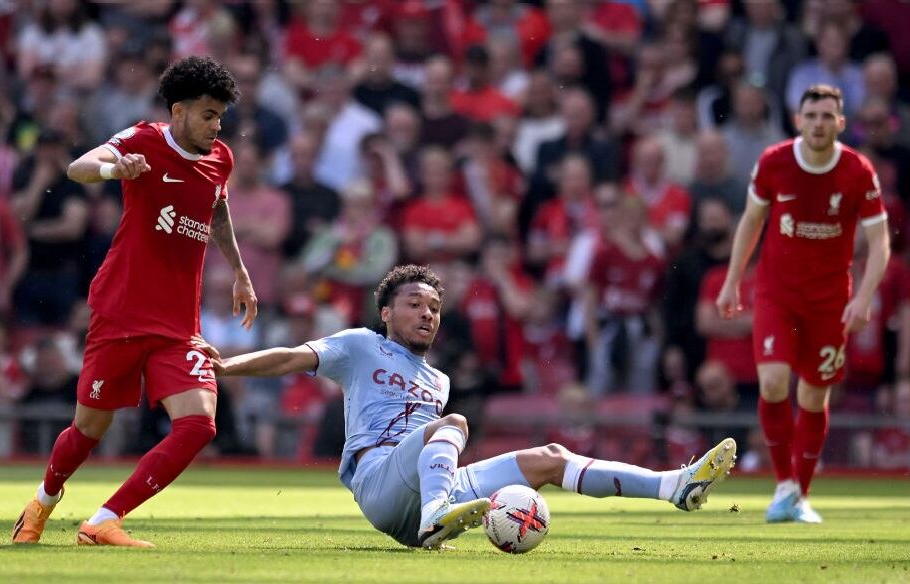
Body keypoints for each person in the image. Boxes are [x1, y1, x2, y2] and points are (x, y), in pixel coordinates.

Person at [193, 265, 736, 550]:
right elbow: (290, 356)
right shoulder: (358, 344)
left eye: (435, 307)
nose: (428, 314)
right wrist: (228, 366)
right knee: (450, 426)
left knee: (547, 456)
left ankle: (674, 486)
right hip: (378, 481)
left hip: (427, 493)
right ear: (386, 312)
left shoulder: (439, 379)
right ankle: (437, 517)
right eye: (415, 304)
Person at [11, 56, 258, 548]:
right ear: (179, 110)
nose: (216, 125)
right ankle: (43, 500)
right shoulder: (144, 138)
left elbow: (218, 207)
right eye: (208, 114)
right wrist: (113, 168)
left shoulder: (221, 158)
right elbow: (77, 167)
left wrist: (239, 269)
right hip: (121, 312)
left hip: (177, 323)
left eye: (221, 116)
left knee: (199, 424)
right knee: (88, 431)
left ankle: (104, 520)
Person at [716, 84, 890, 524]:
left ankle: (802, 493)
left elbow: (880, 241)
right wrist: (734, 280)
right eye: (811, 115)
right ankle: (783, 486)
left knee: (814, 396)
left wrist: (865, 298)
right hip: (777, 292)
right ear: (798, 121)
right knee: (773, 383)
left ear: (840, 123)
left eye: (827, 116)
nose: (818, 123)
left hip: (831, 300)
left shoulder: (856, 171)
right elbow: (751, 221)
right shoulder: (774, 162)